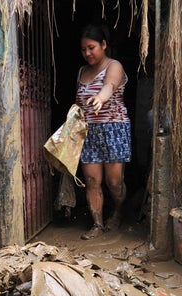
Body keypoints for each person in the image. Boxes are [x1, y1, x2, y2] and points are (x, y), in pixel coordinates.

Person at [75, 24, 131, 240]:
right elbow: (79, 102)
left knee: (114, 182)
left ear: (104, 45)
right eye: (83, 49)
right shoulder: (81, 71)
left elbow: (110, 85)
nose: (87, 53)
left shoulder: (114, 65)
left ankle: (118, 210)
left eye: (91, 47)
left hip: (114, 129)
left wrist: (100, 97)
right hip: (89, 133)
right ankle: (97, 223)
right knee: (91, 180)